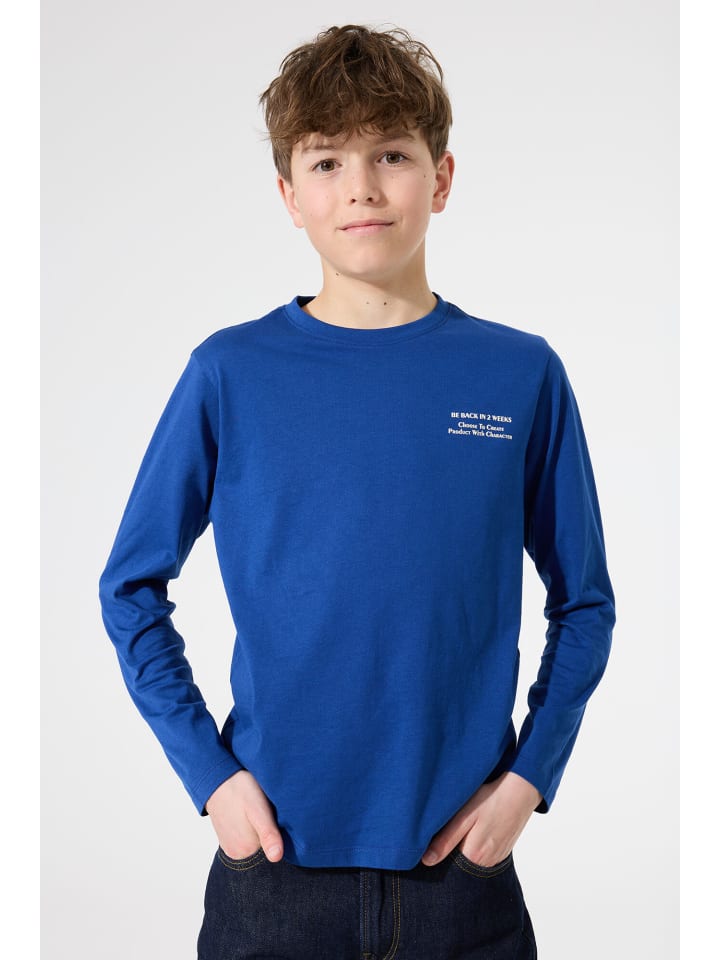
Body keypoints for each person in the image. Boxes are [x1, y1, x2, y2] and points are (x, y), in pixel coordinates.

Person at [99, 23, 615, 959]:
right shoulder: (230, 373)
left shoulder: (520, 374)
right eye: (327, 161)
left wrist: (529, 780)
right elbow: (130, 586)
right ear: (289, 196)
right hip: (273, 870)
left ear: (442, 178)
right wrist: (210, 776)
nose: (361, 188)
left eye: (391, 155)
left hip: (464, 875)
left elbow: (584, 602)